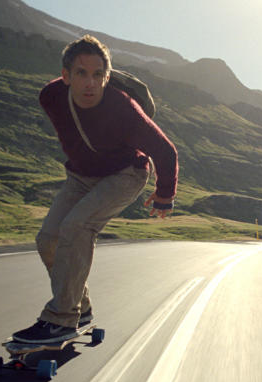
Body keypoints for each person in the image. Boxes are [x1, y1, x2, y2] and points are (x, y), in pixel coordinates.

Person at [13, 35, 178, 343]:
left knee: (76, 227)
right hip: (81, 176)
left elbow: (165, 151)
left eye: (98, 75)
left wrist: (165, 197)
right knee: (48, 239)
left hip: (125, 174)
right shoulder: (51, 96)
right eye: (81, 73)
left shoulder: (123, 108)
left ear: (107, 76)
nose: (90, 83)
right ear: (65, 76)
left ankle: (60, 319)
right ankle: (80, 307)